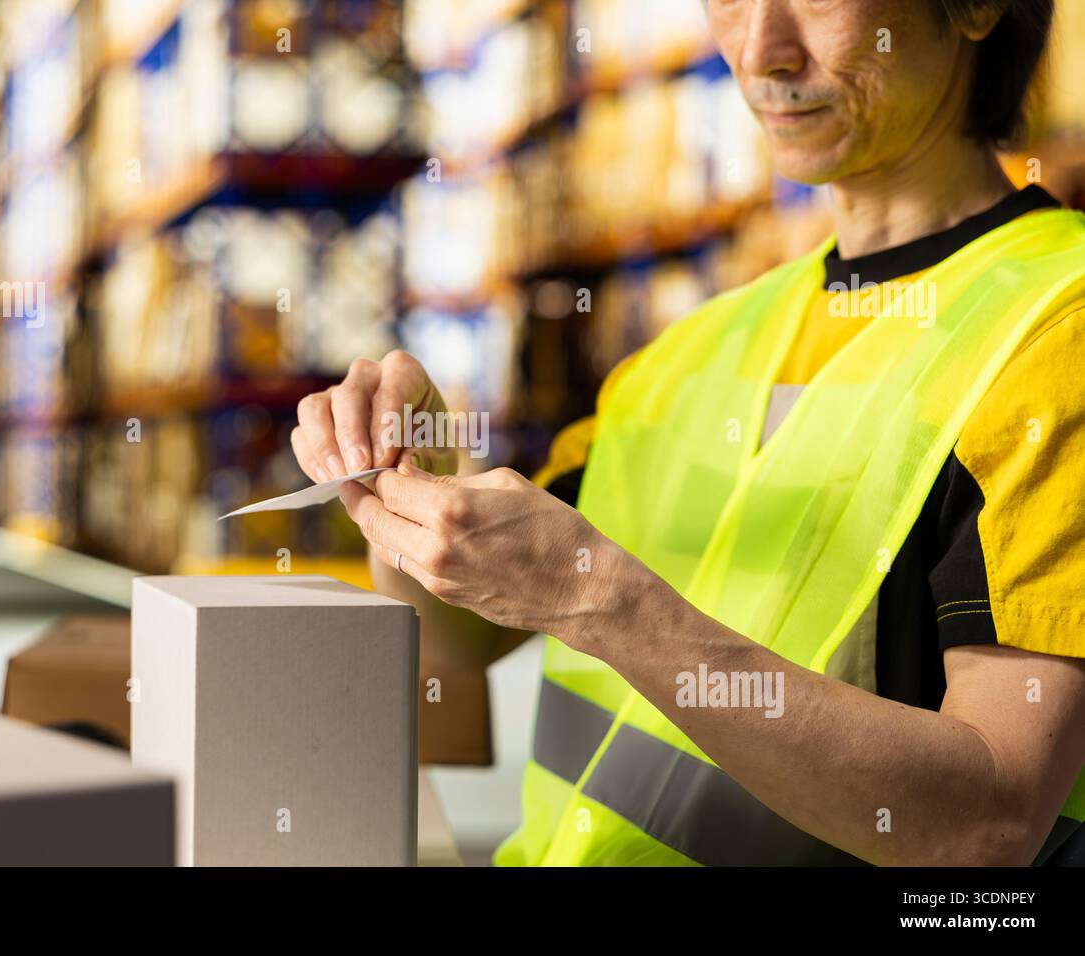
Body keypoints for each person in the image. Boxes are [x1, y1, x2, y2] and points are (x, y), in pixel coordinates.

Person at [290, 0, 1085, 865]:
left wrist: (597, 598)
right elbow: (459, 644)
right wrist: (408, 485)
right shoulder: (691, 351)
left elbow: (990, 822)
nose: (762, 50)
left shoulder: (1056, 328)